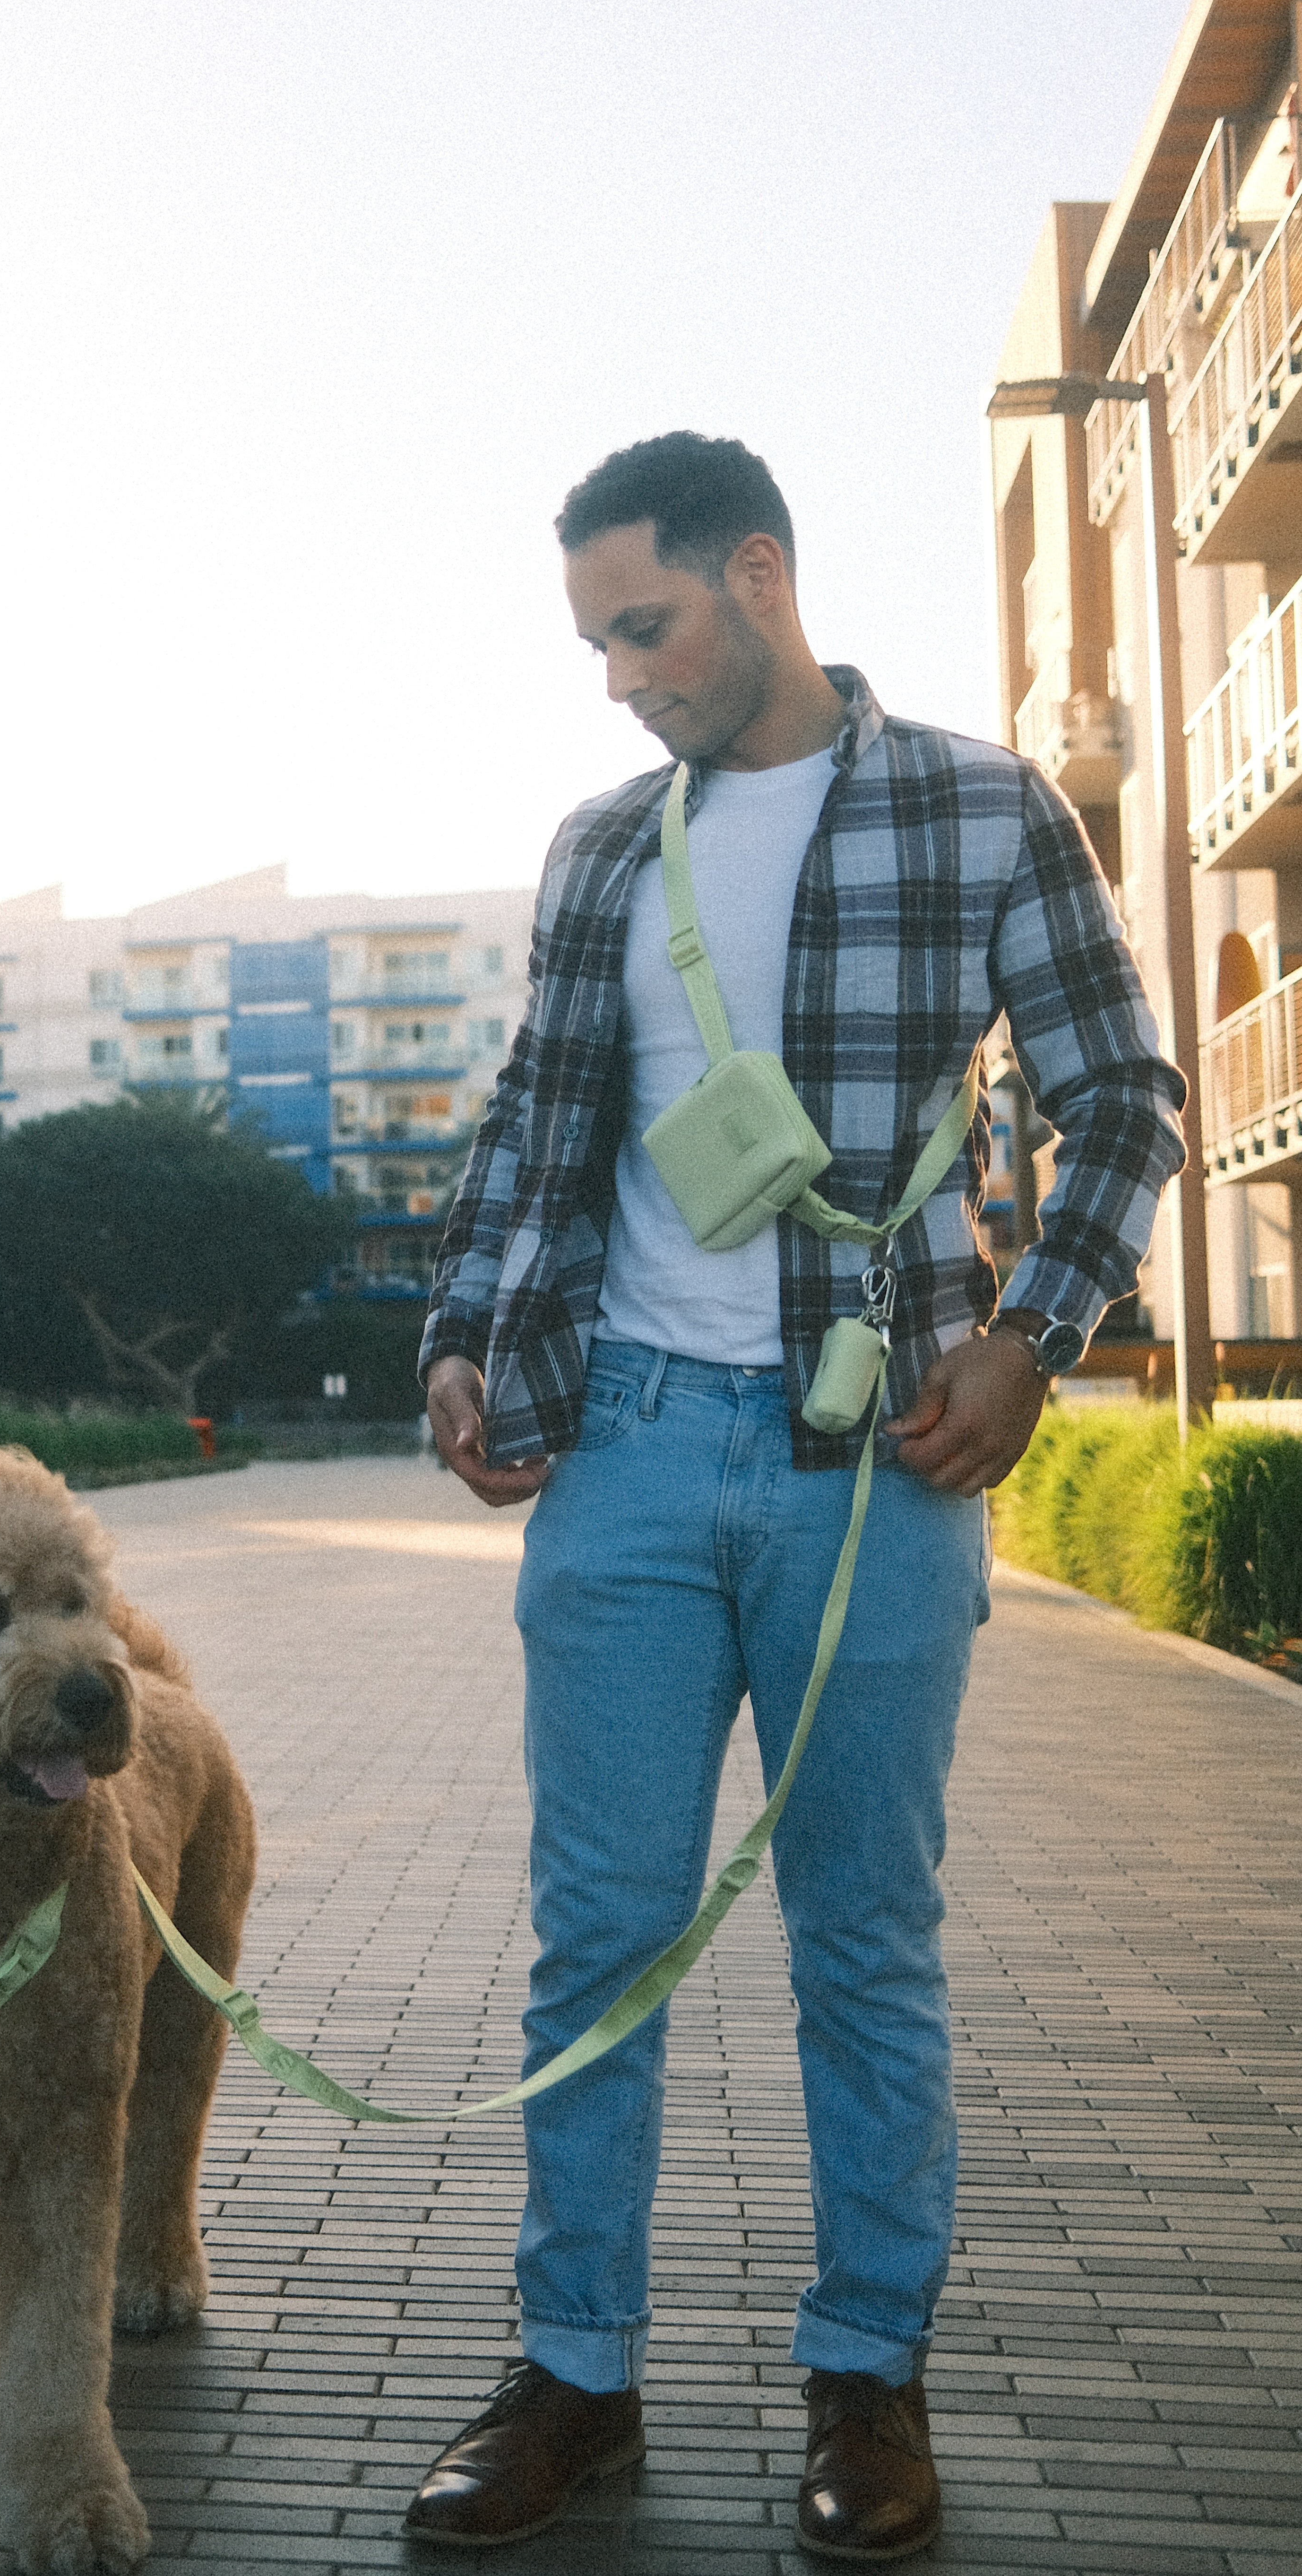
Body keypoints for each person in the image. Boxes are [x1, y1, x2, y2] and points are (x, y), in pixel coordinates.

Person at [408, 432, 1185, 2560]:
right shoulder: (595, 851)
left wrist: (1030, 1332)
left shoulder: (973, 803)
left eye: (639, 626)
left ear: (758, 574)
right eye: (590, 639)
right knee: (596, 1947)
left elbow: (1121, 1087)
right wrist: (466, 1341)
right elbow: (527, 1132)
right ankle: (571, 2378)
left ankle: (867, 2382)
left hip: (877, 1457)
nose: (614, 677)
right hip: (627, 1452)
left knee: (862, 1946)